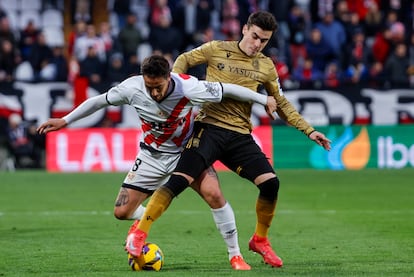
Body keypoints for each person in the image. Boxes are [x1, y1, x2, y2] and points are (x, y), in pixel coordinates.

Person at [126, 11, 331, 268]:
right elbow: (183, 60)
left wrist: (309, 130)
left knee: (271, 184)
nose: (257, 44)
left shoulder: (266, 66)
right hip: (208, 128)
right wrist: (176, 94)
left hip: (240, 135)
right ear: (245, 29)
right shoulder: (216, 49)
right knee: (180, 180)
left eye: (264, 40)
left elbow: (279, 102)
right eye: (255, 36)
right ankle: (140, 232)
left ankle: (260, 240)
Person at [37, 55, 278, 270]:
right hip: (151, 155)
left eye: (158, 87)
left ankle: (235, 255)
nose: (153, 93)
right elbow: (98, 101)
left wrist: (262, 98)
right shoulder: (131, 88)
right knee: (121, 212)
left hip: (187, 153)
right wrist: (65, 120)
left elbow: (228, 89)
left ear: (168, 77)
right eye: (149, 87)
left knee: (215, 196)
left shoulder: (189, 87)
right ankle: (144, 221)